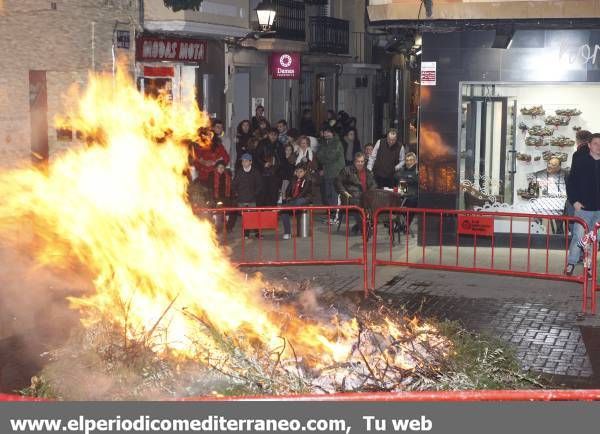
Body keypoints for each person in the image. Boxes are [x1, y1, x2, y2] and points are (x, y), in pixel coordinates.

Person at [565, 133, 600, 276]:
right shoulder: (580, 162)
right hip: (583, 209)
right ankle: (571, 263)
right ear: (589, 145)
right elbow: (571, 183)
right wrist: (575, 202)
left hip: (599, 210)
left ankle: (589, 266)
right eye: (596, 144)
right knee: (578, 236)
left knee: (594, 239)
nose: (599, 147)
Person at [335, 152, 377, 234]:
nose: (360, 163)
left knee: (376, 203)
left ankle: (358, 226)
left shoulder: (368, 172)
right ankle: (364, 229)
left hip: (365, 198)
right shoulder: (347, 170)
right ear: (354, 162)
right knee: (357, 205)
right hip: (350, 198)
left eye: (362, 161)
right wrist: (344, 192)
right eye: (358, 161)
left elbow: (374, 184)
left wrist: (371, 192)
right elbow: (337, 182)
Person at [232, 153, 263, 239]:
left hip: (252, 199)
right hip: (241, 199)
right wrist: (237, 193)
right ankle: (246, 234)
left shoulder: (255, 172)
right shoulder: (239, 172)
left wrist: (255, 194)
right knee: (245, 217)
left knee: (254, 216)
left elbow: (260, 185)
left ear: (250, 162)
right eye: (242, 161)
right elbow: (234, 184)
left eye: (245, 161)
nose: (243, 163)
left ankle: (257, 233)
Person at [280, 163, 312, 239]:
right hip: (293, 201)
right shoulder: (293, 179)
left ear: (304, 172)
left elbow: (303, 193)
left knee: (298, 201)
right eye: (297, 171)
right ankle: (287, 233)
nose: (298, 173)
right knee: (284, 212)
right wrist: (288, 197)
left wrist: (291, 201)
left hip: (304, 200)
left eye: (300, 171)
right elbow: (288, 190)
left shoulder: (308, 180)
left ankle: (284, 207)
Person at [316, 125, 345, 207]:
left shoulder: (337, 143)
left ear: (333, 133)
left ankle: (336, 215)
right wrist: (324, 157)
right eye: (325, 132)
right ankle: (331, 214)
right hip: (327, 173)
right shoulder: (323, 143)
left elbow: (332, 157)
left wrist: (323, 157)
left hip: (336, 172)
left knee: (335, 194)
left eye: (328, 132)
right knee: (327, 194)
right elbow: (318, 156)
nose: (326, 134)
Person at [255, 128, 281, 206]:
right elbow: (256, 156)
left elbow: (282, 159)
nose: (273, 136)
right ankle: (261, 213)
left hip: (275, 173)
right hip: (263, 172)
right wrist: (263, 163)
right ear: (268, 134)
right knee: (262, 193)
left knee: (273, 193)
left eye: (275, 135)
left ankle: (273, 212)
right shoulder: (262, 143)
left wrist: (278, 167)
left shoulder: (279, 145)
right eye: (271, 134)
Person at [207, 160, 235, 233]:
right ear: (216, 168)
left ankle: (229, 227)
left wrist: (231, 197)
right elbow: (210, 188)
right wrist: (211, 199)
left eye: (222, 167)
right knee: (216, 212)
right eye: (219, 167)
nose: (221, 169)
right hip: (215, 198)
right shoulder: (212, 175)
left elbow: (231, 188)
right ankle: (216, 228)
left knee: (233, 209)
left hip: (226, 198)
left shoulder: (227, 176)